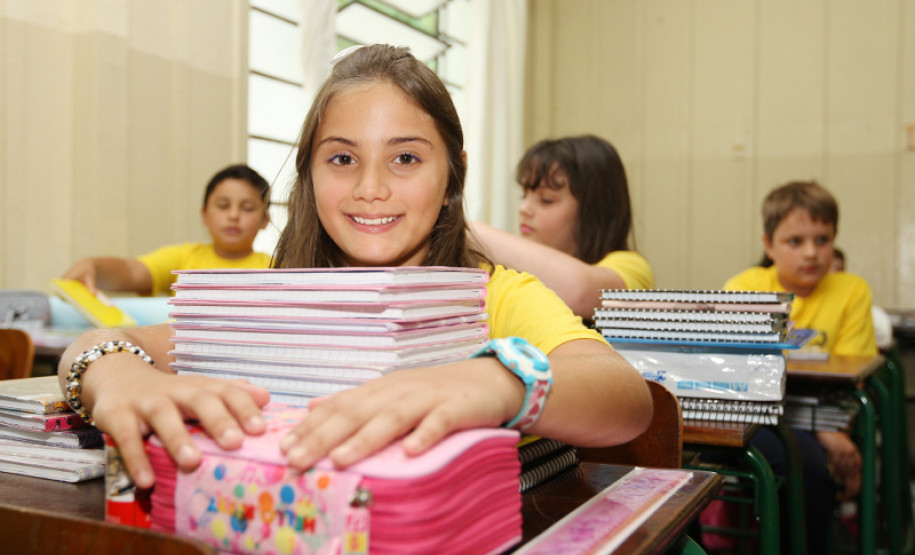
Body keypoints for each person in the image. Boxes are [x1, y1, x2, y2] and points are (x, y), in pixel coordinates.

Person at [57, 44, 653, 490]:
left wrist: (499, 380)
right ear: (310, 172)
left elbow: (627, 398)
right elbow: (103, 340)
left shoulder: (492, 296)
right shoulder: (277, 297)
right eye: (342, 158)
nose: (371, 188)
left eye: (406, 159)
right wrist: (115, 376)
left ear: (452, 178)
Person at [723, 180, 876, 554]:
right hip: (756, 413)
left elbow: (845, 381)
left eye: (823, 240)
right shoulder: (747, 286)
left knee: (808, 471)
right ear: (768, 244)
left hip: (823, 415)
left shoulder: (851, 290)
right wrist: (827, 434)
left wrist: (830, 429)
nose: (811, 252)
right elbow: (746, 376)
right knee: (795, 465)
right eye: (795, 241)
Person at [471, 135, 653, 320]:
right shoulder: (509, 271)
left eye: (546, 200)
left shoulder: (633, 268)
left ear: (592, 211)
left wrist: (470, 232)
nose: (524, 208)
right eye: (523, 196)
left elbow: (579, 292)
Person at [62, 164, 272, 296]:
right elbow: (132, 272)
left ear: (265, 220)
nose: (234, 216)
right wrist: (93, 266)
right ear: (204, 215)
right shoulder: (183, 258)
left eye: (247, 208)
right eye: (223, 206)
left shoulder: (275, 268)